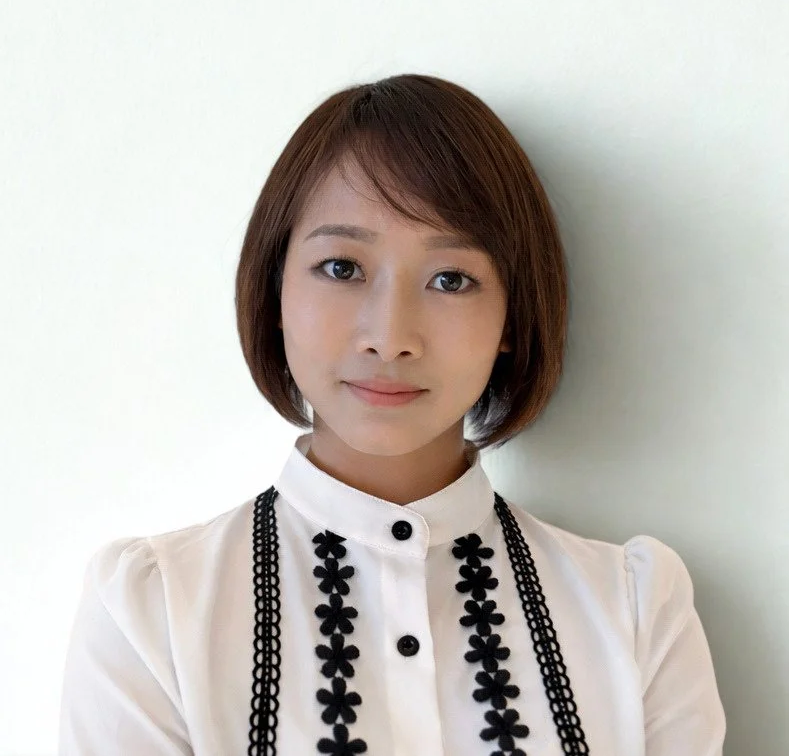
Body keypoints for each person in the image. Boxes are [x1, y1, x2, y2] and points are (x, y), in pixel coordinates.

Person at [58, 74, 726, 755]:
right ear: (274, 288)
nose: (389, 334)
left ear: (511, 317)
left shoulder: (634, 608)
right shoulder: (153, 611)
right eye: (342, 267)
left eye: (450, 279)